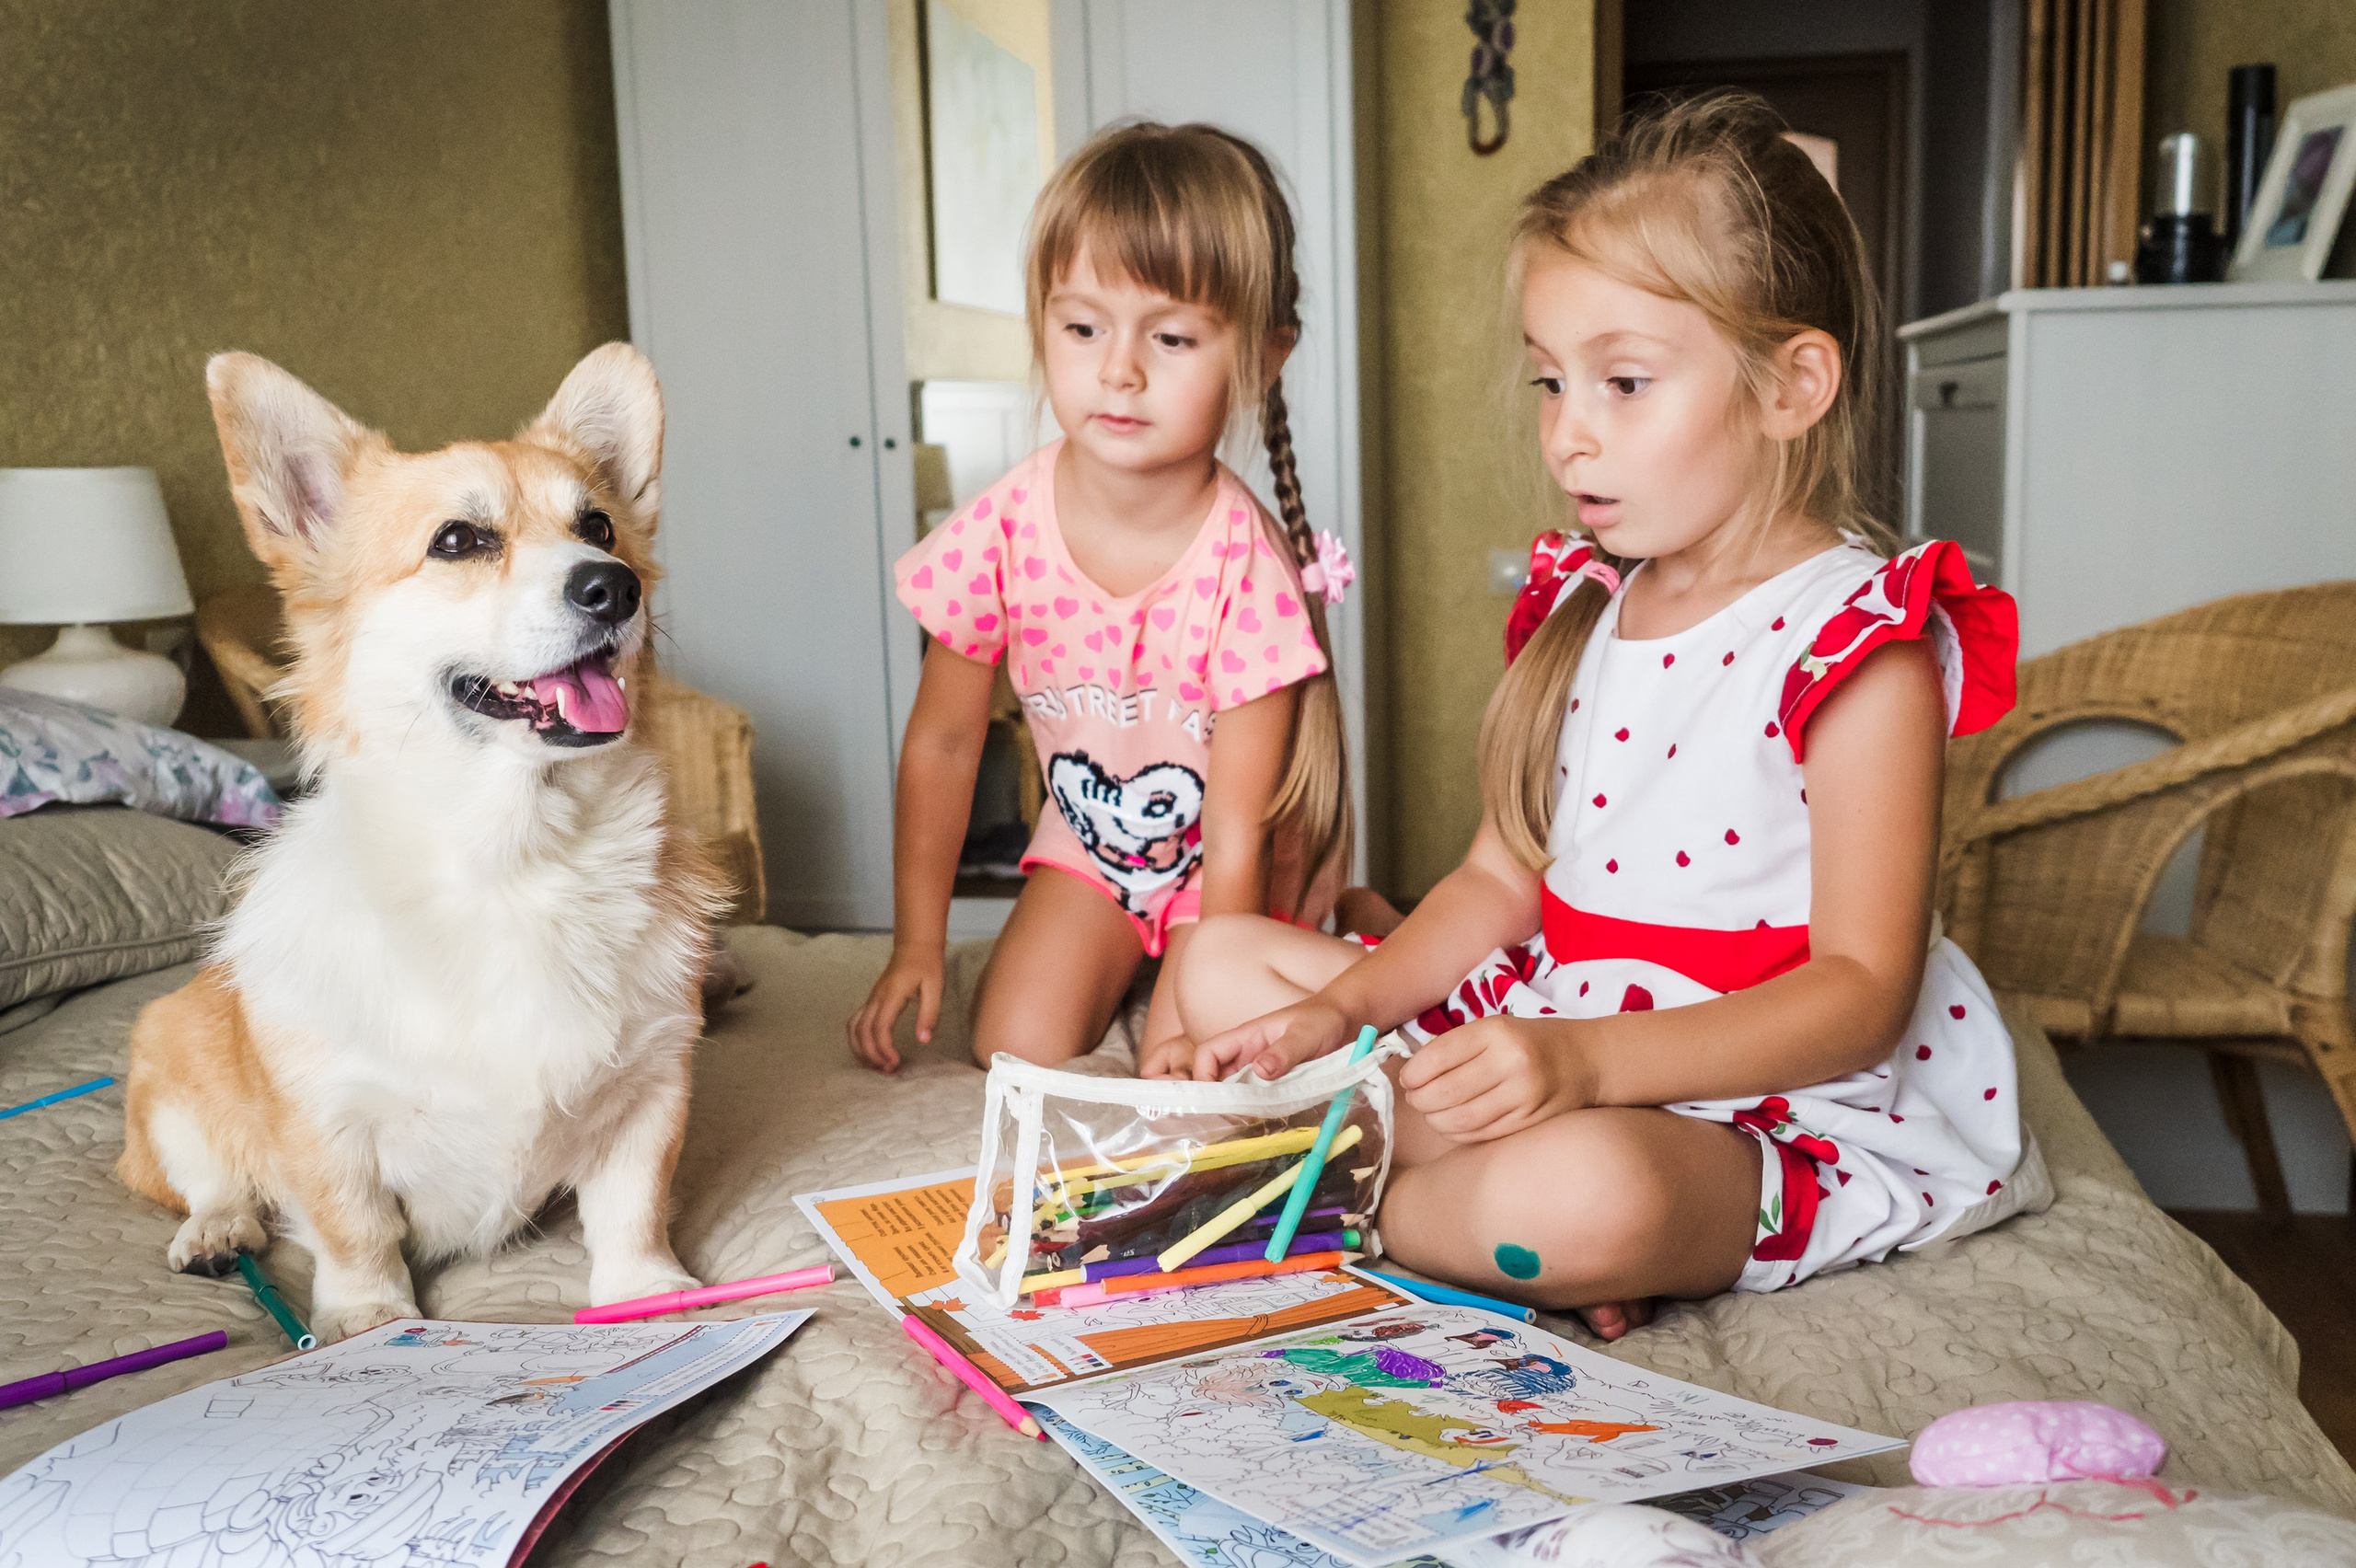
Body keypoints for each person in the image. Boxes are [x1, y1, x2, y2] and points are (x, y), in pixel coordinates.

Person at [1178, 94, 2049, 1338]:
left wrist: (1583, 1071)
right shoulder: (1590, 606)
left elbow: (1862, 989)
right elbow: (1500, 879)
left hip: (1748, 1088)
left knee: (1593, 1193)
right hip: (1565, 1020)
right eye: (1551, 382)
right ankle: (1463, 1208)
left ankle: (1348, 1198)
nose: (1570, 434)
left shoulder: (1859, 641)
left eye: (1624, 382)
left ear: (1791, 385)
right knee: (1220, 961)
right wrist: (1344, 1012)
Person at [850, 121, 1353, 1080]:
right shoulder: (1001, 528)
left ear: (1263, 354)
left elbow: (1237, 831)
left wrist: (1199, 998)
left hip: (1231, 869)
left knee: (1192, 1063)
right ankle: (1131, 948)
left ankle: (1346, 916)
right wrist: (918, 944)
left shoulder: (1248, 570)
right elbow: (945, 743)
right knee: (1013, 1048)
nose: (1118, 370)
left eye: (1169, 337)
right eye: (1082, 327)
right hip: (1092, 849)